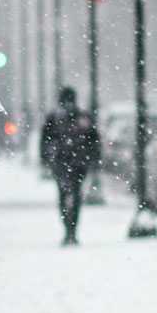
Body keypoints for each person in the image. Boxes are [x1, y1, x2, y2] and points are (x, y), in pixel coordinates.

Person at [40, 86, 102, 245]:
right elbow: (94, 139)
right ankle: (72, 230)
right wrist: (94, 158)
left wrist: (46, 159)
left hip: (61, 162)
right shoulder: (83, 116)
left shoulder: (54, 117)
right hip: (79, 162)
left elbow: (45, 140)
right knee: (76, 194)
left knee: (63, 195)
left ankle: (68, 228)